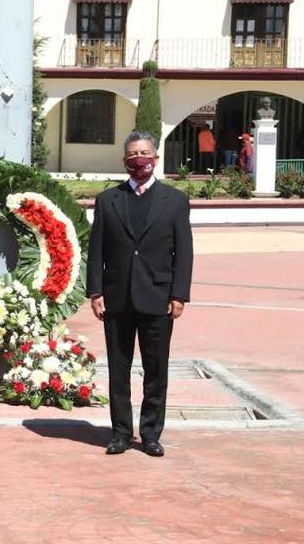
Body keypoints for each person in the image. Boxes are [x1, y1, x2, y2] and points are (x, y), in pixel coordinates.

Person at [86, 131, 193, 457]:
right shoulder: (108, 200)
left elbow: (184, 253)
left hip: (158, 298)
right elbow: (96, 250)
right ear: (124, 161)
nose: (139, 159)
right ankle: (120, 432)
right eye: (133, 154)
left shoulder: (174, 201)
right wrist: (95, 291)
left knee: (155, 369)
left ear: (156, 158)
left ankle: (150, 434)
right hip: (117, 299)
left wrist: (179, 295)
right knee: (118, 370)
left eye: (144, 153)